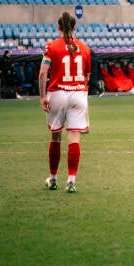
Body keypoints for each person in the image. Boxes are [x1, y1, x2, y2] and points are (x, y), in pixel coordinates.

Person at [39, 11, 91, 193]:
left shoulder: (51, 47)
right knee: (74, 137)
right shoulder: (85, 48)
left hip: (58, 93)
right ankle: (71, 181)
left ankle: (53, 179)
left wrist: (43, 96)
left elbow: (43, 73)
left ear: (58, 27)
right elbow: (87, 76)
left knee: (56, 136)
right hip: (78, 94)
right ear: (75, 27)